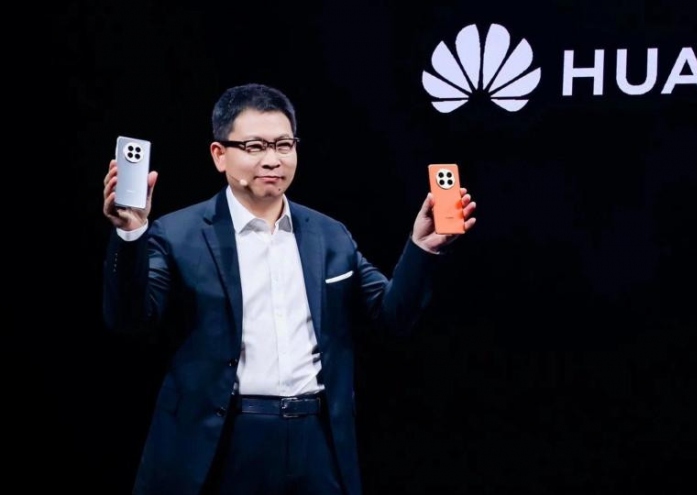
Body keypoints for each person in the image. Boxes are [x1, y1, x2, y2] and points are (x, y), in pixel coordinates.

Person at [101, 82, 476, 495]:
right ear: (220, 155)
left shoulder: (330, 235)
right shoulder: (177, 234)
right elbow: (130, 320)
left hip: (315, 439)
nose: (272, 159)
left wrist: (422, 248)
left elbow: (391, 319)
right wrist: (131, 234)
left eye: (283, 144)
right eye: (255, 146)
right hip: (221, 439)